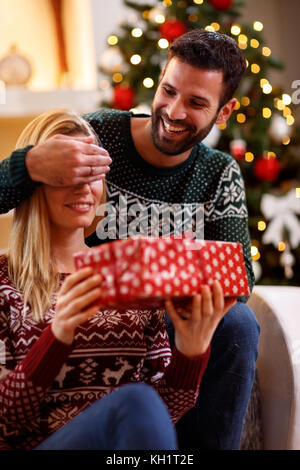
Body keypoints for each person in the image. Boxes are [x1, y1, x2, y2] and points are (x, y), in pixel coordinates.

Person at [0, 29, 260, 449]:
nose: (174, 111)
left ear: (224, 111)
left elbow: (238, 277)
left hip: (159, 322)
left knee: (237, 323)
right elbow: (6, 421)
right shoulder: (100, 134)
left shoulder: (218, 173)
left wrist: (189, 348)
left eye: (196, 103)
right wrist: (29, 162)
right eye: (168, 91)